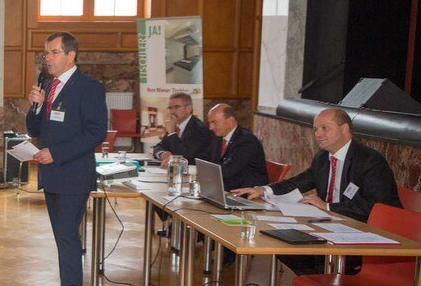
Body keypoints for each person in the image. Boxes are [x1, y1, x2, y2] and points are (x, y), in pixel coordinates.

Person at [234, 108, 401, 275]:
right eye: (315, 129)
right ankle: (320, 282)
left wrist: (327, 207)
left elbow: (377, 206)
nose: (318, 134)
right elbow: (298, 182)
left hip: (364, 232)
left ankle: (329, 283)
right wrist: (263, 190)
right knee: (281, 240)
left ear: (344, 129)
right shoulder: (322, 158)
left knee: (300, 249)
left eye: (324, 128)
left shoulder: (370, 161)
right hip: (329, 226)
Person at [26, 32, 107, 286]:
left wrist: (55, 153)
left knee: (68, 240)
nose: (47, 58)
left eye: (54, 52)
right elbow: (35, 128)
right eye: (46, 53)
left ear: (71, 55)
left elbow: (96, 133)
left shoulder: (89, 88)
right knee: (63, 240)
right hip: (51, 175)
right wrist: (34, 105)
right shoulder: (48, 85)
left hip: (73, 175)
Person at [197, 103, 268, 191]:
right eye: (209, 123)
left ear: (230, 120)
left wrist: (203, 171)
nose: (211, 127)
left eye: (214, 122)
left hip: (246, 195)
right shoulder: (219, 137)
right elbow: (203, 158)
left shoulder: (247, 141)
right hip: (224, 189)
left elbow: (227, 171)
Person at [152, 92, 213, 166]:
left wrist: (171, 133)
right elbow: (159, 146)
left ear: (188, 109)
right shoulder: (174, 125)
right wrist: (162, 154)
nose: (172, 111)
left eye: (176, 107)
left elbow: (186, 157)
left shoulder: (199, 129)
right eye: (170, 108)